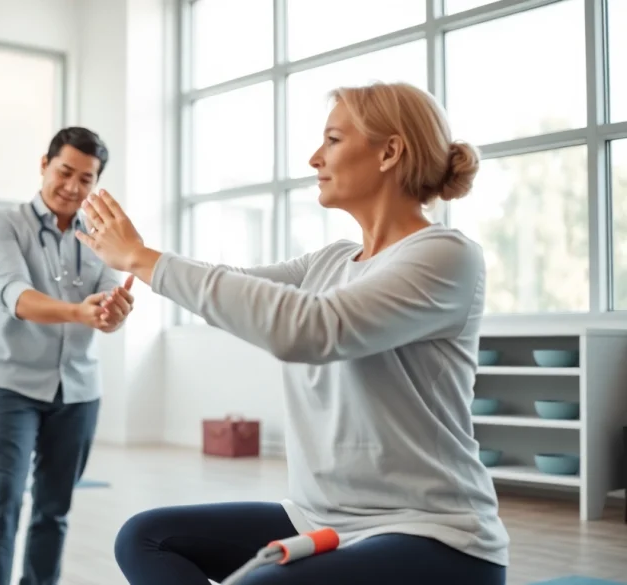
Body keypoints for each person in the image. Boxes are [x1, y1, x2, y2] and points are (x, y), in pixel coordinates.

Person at [74, 82, 510, 584]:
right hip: (321, 519)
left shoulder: (446, 255)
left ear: (390, 151)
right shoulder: (329, 260)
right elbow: (235, 287)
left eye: (332, 140)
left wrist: (144, 259)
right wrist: (142, 274)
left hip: (436, 537)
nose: (313, 158)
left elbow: (311, 329)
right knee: (144, 538)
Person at [0, 126, 135, 585]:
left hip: (79, 390)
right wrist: (79, 313)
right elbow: (15, 295)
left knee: (54, 508)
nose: (73, 187)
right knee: (0, 499)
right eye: (65, 172)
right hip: (9, 385)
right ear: (45, 165)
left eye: (86, 179)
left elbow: (107, 301)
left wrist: (112, 312)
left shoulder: (99, 236)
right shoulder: (4, 225)